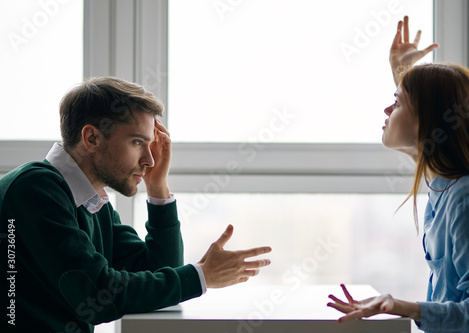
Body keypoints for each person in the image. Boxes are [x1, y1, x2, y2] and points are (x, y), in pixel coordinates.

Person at [0, 77, 272, 332]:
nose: (150, 160)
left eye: (151, 145)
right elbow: (95, 295)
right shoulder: (34, 190)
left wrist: (157, 189)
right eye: (137, 142)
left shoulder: (92, 203)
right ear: (92, 138)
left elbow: (156, 269)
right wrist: (200, 276)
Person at [327, 16, 469, 332]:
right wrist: (402, 76)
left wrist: (399, 306)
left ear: (427, 122)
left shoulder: (467, 198)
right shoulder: (443, 184)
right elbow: (425, 116)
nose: (386, 111)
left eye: (396, 102)